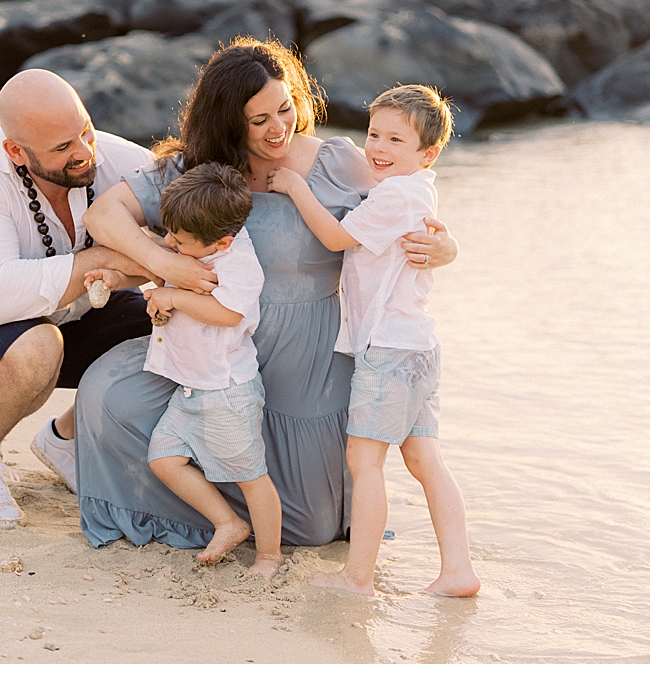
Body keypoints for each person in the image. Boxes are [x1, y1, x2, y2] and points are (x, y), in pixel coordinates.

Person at [74, 38, 458, 551]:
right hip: (215, 342)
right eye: (259, 120)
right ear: (228, 121)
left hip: (307, 355)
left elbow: (412, 199)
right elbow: (102, 215)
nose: (279, 128)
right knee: (107, 395)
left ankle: (258, 511)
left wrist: (446, 247)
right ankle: (203, 509)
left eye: (286, 108)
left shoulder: (339, 163)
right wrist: (167, 264)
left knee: (314, 529)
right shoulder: (198, 168)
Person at [0, 69, 155, 529]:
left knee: (171, 330)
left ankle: (66, 438)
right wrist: (116, 257)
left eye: (85, 131)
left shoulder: (102, 154)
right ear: (15, 150)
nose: (83, 153)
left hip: (66, 315)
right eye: (62, 148)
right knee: (38, 347)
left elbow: (194, 195)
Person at [267, 84, 480, 597]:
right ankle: (458, 570)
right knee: (425, 460)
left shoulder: (393, 196)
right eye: (374, 134)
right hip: (417, 347)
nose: (378, 149)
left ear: (428, 153)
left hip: (387, 349)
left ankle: (357, 577)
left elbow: (337, 237)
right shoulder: (419, 189)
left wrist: (296, 187)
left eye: (395, 141)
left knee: (365, 465)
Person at [87, 162, 281, 576]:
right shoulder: (193, 245)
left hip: (225, 391)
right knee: (164, 459)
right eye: (169, 233)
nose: (169, 243)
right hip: (190, 390)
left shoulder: (238, 263)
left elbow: (229, 313)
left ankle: (270, 555)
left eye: (179, 238)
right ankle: (228, 522)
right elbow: (154, 269)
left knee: (251, 476)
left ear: (222, 241)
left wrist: (173, 297)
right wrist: (114, 275)